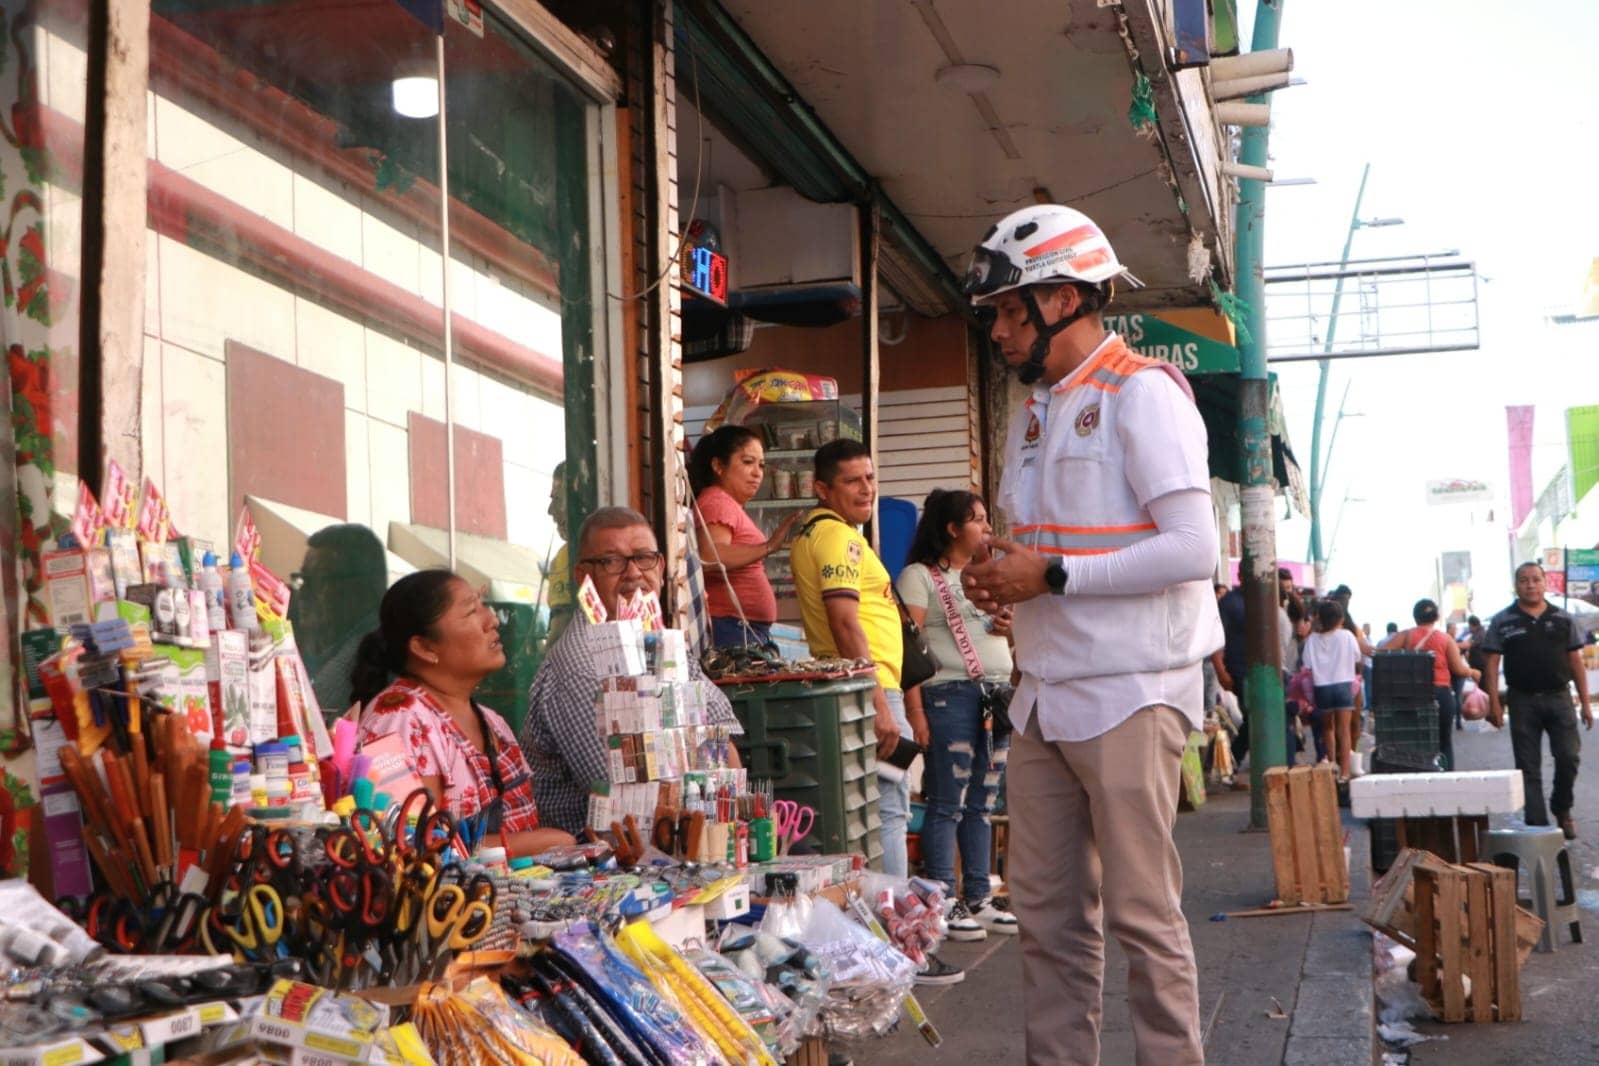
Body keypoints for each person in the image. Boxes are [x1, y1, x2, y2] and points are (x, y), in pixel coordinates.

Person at [958, 203, 1222, 1065]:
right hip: (1045, 699)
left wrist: (1053, 576)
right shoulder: (1034, 413)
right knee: (1045, 922)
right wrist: (1006, 579)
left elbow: (1193, 550)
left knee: (1143, 919)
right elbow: (1046, 550)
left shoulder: (1142, 393)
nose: (997, 329)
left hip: (1131, 695)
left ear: (1064, 299)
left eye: (1008, 309)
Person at [521, 507, 741, 835]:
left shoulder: (658, 642)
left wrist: (728, 823)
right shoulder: (580, 667)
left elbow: (722, 748)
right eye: (612, 561)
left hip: (689, 831)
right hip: (607, 856)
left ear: (661, 566)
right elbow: (625, 793)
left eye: (644, 558)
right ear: (584, 577)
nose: (633, 572)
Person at [352, 569, 575, 857]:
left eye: (483, 605)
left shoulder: (493, 722)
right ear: (424, 647)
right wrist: (539, 843)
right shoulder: (399, 718)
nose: (492, 620)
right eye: (471, 611)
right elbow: (410, 848)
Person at [789, 440, 927, 879]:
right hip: (867, 689)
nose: (866, 488)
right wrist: (880, 704)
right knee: (889, 811)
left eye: (869, 477)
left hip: (857, 688)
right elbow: (845, 621)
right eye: (852, 480)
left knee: (872, 812)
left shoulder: (821, 533)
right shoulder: (837, 538)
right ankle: (898, 922)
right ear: (822, 489)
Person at [895, 489, 1018, 941]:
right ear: (951, 528)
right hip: (949, 695)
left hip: (995, 698)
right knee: (948, 802)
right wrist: (914, 711)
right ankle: (943, 899)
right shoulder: (919, 577)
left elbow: (1006, 638)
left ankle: (979, 898)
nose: (988, 529)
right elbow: (906, 647)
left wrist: (1009, 629)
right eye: (979, 520)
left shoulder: (986, 576)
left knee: (982, 804)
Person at [1481, 562, 1594, 838]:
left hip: (1560, 699)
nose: (1530, 585)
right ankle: (1538, 827)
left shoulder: (1563, 619)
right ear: (1516, 586)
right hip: (1522, 702)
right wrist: (1494, 702)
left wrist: (1586, 702)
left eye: (1535, 579)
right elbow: (1491, 663)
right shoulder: (1502, 621)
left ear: (1545, 583)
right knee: (1528, 766)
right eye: (1523, 580)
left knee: (1569, 757)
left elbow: (1576, 661)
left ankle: (1562, 807)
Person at [688, 425, 801, 648]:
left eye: (761, 465)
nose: (757, 473)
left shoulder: (727, 503)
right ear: (718, 466)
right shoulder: (717, 501)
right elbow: (710, 556)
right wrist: (768, 547)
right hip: (732, 627)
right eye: (747, 462)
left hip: (742, 627)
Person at [288, 523, 388, 715]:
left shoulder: (373, 657)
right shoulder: (319, 647)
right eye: (302, 578)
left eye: (320, 579)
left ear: (359, 590)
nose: (304, 592)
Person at [1380, 598, 1478, 771]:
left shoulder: (1406, 635)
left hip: (1414, 695)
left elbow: (1381, 654)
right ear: (1437, 616)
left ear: (1415, 617)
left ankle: (1421, 776)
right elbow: (1458, 669)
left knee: (1418, 741)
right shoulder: (1445, 639)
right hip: (1441, 694)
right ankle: (1446, 776)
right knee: (1444, 741)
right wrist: (1473, 673)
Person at [1304, 598, 1360, 778]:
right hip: (1344, 685)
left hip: (1322, 687)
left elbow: (1307, 664)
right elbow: (1358, 657)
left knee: (1328, 729)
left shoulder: (1312, 639)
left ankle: (1333, 768)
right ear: (1340, 619)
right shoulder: (1347, 636)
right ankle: (1345, 773)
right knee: (1344, 731)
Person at [542, 461, 576, 651]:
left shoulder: (566, 558)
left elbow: (558, 636)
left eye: (557, 499)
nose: (550, 511)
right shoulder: (563, 557)